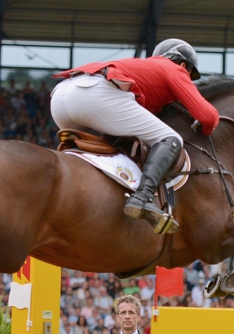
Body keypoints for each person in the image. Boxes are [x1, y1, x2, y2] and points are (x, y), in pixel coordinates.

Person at [51, 39, 219, 234]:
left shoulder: (147, 69)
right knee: (170, 139)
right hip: (95, 94)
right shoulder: (175, 69)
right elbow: (208, 117)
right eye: (190, 74)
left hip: (60, 97)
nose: (188, 78)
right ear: (183, 65)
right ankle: (143, 197)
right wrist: (207, 130)